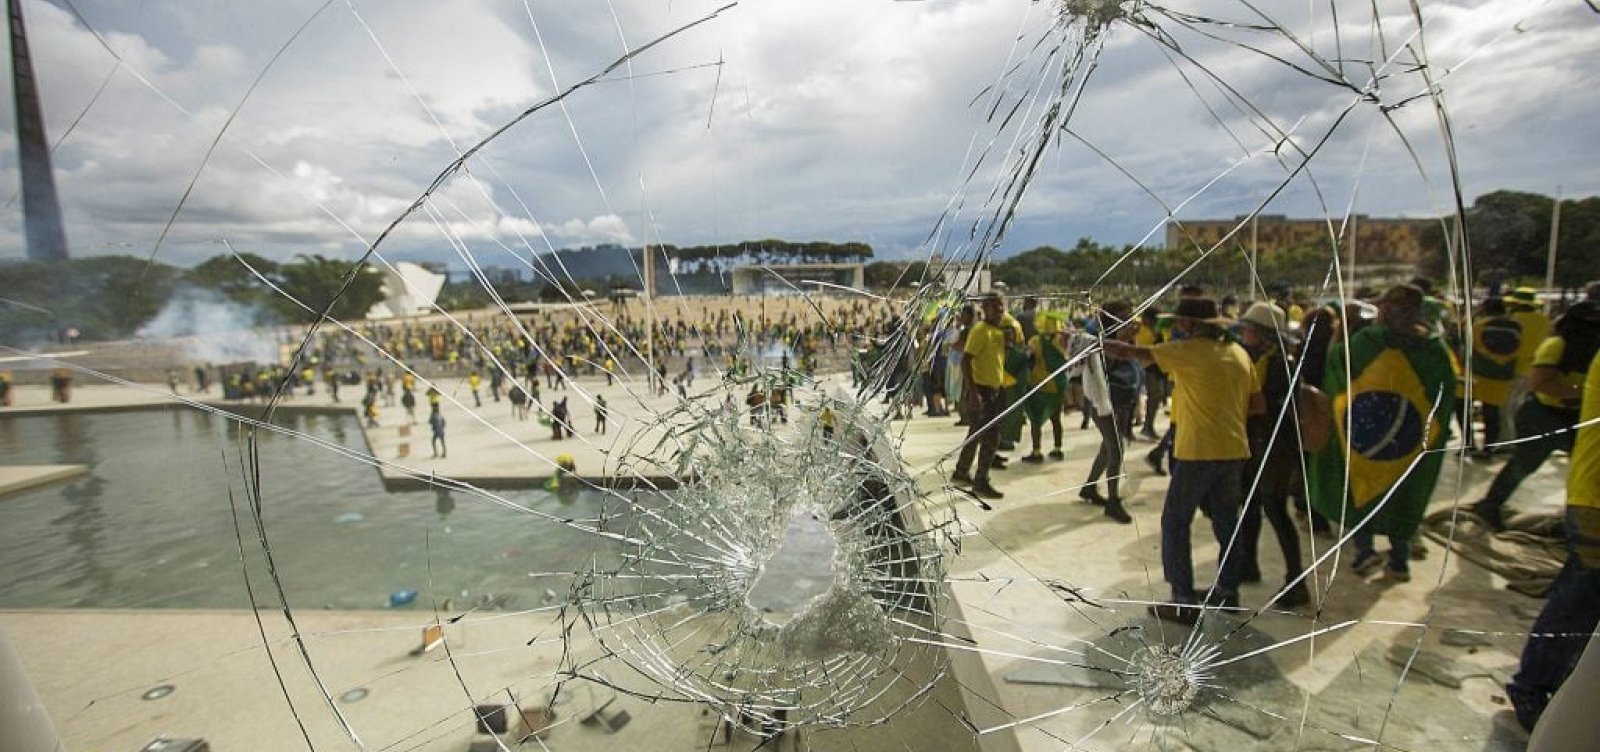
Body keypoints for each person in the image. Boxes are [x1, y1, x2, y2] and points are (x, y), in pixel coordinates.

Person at [1105, 296, 1258, 622]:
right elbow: (1257, 406)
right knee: (1227, 522)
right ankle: (1228, 592)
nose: (1176, 326)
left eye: (1179, 322)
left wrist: (1094, 343)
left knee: (1175, 522)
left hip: (1198, 451)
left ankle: (1183, 600)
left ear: (1190, 324)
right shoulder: (1239, 353)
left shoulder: (1188, 351)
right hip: (1234, 450)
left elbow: (1131, 354)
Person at [1308, 284, 1456, 582]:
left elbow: (1337, 364)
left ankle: (1365, 552)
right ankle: (1399, 561)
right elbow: (1444, 392)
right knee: (1402, 492)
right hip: (1408, 440)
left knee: (1362, 488)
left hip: (1366, 434)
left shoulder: (1368, 341)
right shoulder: (1434, 349)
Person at [1505, 347, 1600, 733]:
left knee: (1578, 593)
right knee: (1581, 598)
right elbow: (1541, 378)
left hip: (1587, 492)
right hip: (1594, 498)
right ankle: (1532, 685)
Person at [1470, 303, 1600, 531]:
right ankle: (1489, 506)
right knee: (1523, 464)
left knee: (1585, 470)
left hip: (1575, 417)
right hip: (1542, 415)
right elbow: (1539, 382)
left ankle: (1578, 519)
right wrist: (1582, 393)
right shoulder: (1557, 345)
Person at [1231, 302, 1310, 607]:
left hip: (1274, 445)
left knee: (1276, 510)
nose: (1244, 334)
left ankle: (1296, 580)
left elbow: (1270, 406)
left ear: (1263, 334)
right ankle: (1248, 565)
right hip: (1257, 442)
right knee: (1249, 506)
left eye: (1249, 330)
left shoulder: (1281, 364)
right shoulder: (1261, 358)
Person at [1077, 305, 1134, 524]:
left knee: (1108, 447)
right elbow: (1102, 371)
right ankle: (1112, 501)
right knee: (1116, 449)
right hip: (1103, 402)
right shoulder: (1102, 342)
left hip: (1115, 402)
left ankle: (1089, 488)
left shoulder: (1116, 339)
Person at [951, 292, 1008, 502]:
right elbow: (966, 361)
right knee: (991, 438)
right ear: (986, 308)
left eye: (1002, 308)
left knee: (975, 434)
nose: (1001, 312)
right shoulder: (981, 330)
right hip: (981, 391)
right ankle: (980, 480)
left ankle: (961, 472)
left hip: (994, 389)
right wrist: (973, 392)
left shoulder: (997, 332)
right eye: (996, 308)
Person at [1468, 297, 1521, 455]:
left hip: (1480, 374)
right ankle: (1489, 446)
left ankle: (1469, 443)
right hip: (1503, 375)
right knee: (1492, 411)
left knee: (1465, 408)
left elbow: (1472, 348)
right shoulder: (1518, 325)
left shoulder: (1478, 326)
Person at [1021, 311, 1068, 463]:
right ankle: (1058, 448)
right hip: (1059, 384)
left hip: (1040, 383)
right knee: (1056, 418)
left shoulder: (1036, 341)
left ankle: (1036, 451)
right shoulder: (1062, 342)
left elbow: (1027, 355)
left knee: (1035, 418)